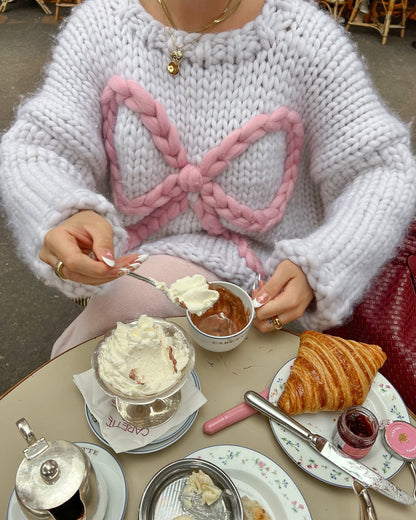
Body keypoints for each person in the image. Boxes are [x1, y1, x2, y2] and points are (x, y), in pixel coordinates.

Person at [0, 0, 415, 358]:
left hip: (266, 298)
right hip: (133, 276)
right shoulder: (101, 27)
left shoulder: (306, 42)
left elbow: (381, 171)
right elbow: (40, 149)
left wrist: (324, 261)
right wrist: (61, 211)